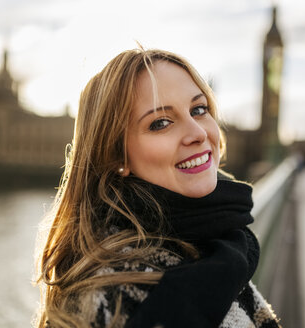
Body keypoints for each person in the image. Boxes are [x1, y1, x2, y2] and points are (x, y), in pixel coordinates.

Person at [35, 48, 281, 328]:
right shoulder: (113, 300)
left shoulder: (221, 245)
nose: (198, 133)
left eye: (199, 109)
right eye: (160, 123)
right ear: (117, 155)